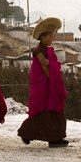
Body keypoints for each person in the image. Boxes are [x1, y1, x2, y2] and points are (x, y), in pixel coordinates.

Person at [18, 17, 68, 147]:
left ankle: (55, 138)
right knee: (43, 113)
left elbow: (50, 65)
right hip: (43, 87)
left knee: (54, 112)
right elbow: (45, 66)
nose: (52, 39)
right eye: (51, 36)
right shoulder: (39, 51)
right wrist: (54, 80)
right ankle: (26, 133)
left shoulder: (48, 50)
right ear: (44, 37)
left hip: (50, 85)